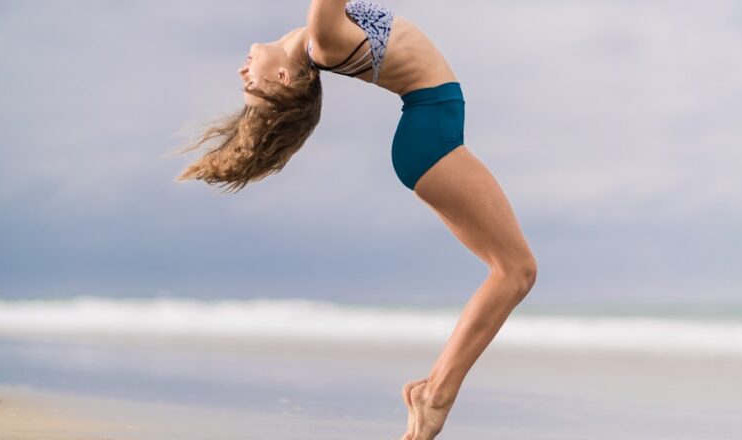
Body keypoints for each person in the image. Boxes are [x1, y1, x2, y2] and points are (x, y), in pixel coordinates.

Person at [174, 1, 538, 439]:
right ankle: (438, 396)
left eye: (247, 83)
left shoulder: (317, 42)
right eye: (253, 86)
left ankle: (434, 393)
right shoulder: (324, 42)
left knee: (510, 271)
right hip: (431, 138)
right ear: (284, 78)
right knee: (516, 271)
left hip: (430, 136)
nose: (242, 75)